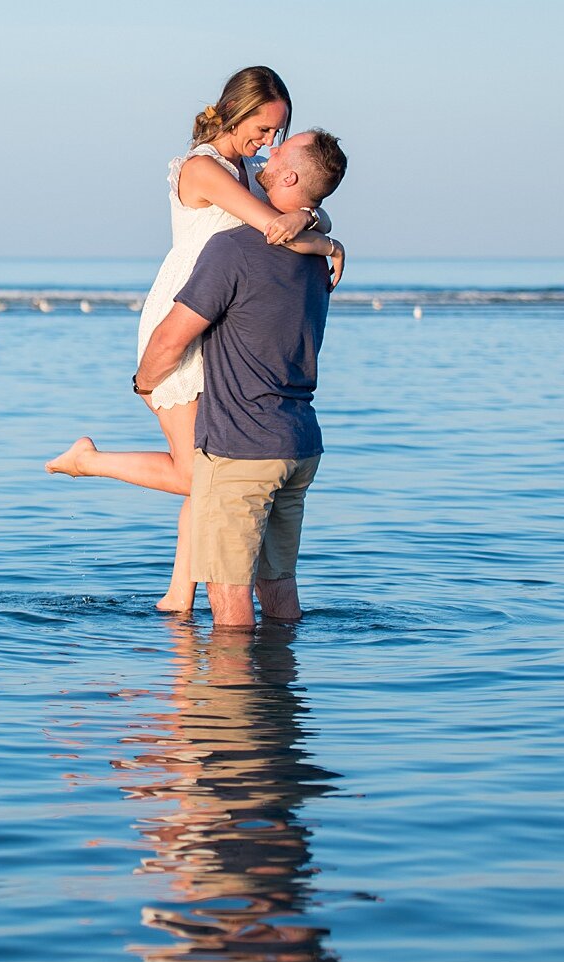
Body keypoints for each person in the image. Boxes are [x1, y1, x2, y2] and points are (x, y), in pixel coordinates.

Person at [47, 67, 344, 611]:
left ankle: (177, 600)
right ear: (237, 109)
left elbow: (298, 200)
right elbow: (273, 228)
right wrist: (327, 243)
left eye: (280, 132)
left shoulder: (253, 167)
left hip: (225, 323)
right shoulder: (204, 168)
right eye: (264, 127)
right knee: (195, 472)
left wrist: (313, 214)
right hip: (183, 318)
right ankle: (90, 462)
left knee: (212, 462)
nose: (270, 143)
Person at [132, 128, 348, 627]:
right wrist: (321, 229)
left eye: (281, 149)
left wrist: (144, 383)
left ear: (290, 176)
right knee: (280, 595)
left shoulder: (232, 249)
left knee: (230, 612)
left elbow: (170, 339)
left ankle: (230, 702)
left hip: (241, 452)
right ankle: (281, 698)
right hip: (299, 447)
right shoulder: (318, 262)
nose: (268, 151)